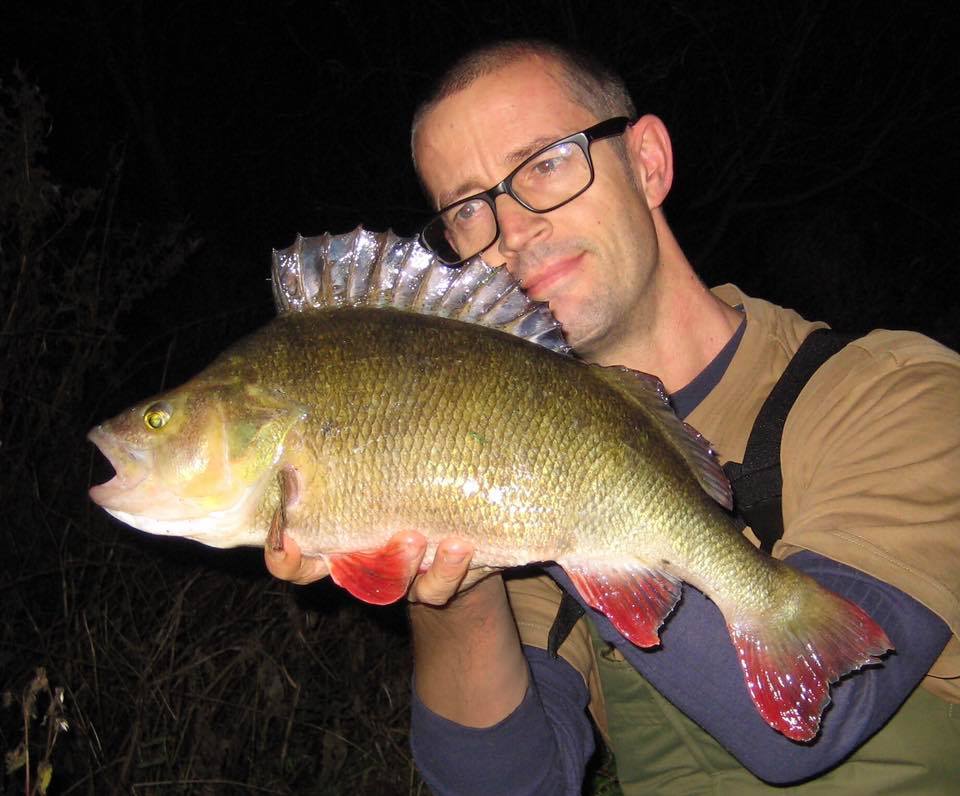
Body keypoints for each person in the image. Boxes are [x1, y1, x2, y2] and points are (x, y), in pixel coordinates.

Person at [266, 39, 960, 794]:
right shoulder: (507, 493)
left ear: (649, 163)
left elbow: (827, 709)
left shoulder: (899, 393)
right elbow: (513, 785)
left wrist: (558, 482)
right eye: (468, 209)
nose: (513, 230)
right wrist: (449, 578)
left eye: (545, 163)